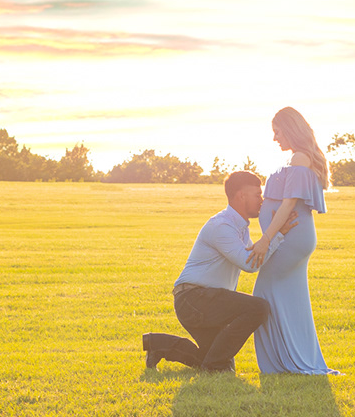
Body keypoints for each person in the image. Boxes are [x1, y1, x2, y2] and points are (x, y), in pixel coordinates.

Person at [142, 170, 293, 373]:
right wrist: (276, 235)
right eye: (258, 194)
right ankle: (214, 365)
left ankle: (157, 344)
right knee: (258, 308)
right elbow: (250, 263)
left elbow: (254, 258)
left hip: (202, 300)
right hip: (194, 299)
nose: (262, 200)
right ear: (241, 196)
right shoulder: (222, 226)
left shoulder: (240, 227)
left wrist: (276, 237)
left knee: (211, 360)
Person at [250, 106, 337, 375]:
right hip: (293, 237)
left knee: (264, 295)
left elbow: (288, 204)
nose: (275, 138)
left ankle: (286, 362)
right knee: (288, 299)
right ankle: (292, 360)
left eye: (277, 132)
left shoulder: (300, 158)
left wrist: (266, 239)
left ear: (290, 129)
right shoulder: (299, 157)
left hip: (290, 238)